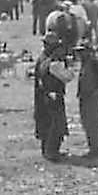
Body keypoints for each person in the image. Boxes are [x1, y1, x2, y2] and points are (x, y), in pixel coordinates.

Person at [34, 33, 73, 161]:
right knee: (55, 125)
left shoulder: (42, 58)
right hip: (53, 95)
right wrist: (68, 65)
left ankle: (47, 150)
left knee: (45, 123)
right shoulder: (52, 63)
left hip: (43, 95)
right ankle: (51, 152)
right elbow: (68, 77)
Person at [77, 46, 98, 159]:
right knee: (86, 122)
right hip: (85, 96)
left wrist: (97, 88)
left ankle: (96, 149)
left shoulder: (93, 62)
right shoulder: (85, 63)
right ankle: (93, 147)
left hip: (92, 96)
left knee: (92, 123)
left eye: (82, 51)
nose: (79, 54)